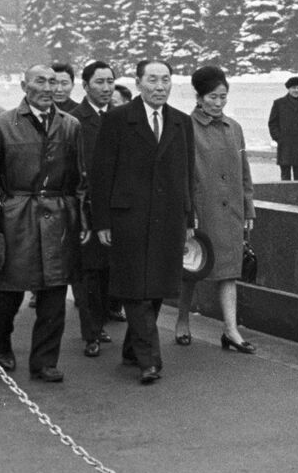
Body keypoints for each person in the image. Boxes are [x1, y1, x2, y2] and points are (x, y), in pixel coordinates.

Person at [0, 65, 84, 382]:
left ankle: (45, 362)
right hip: (15, 219)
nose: (48, 87)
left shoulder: (70, 126)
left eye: (53, 81)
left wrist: (80, 217)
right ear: (24, 85)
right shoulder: (1, 126)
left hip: (59, 219)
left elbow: (80, 178)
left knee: (54, 295)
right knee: (7, 293)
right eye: (40, 81)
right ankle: (1, 344)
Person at [89, 59, 195, 386]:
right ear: (138, 83)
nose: (160, 86)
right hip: (128, 217)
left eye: (165, 80)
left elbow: (187, 174)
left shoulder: (180, 122)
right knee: (134, 287)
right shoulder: (118, 120)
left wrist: (188, 219)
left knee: (159, 285)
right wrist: (102, 221)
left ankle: (133, 350)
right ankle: (150, 359)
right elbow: (101, 173)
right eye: (152, 80)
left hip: (168, 218)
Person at [176, 65, 255, 353]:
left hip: (232, 211)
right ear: (199, 97)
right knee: (192, 269)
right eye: (213, 97)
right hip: (201, 210)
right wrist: (187, 213)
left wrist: (249, 209)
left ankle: (231, 330)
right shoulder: (185, 127)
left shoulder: (235, 128)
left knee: (230, 271)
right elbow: (182, 174)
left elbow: (244, 171)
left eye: (223, 97)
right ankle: (182, 319)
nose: (219, 103)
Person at [73, 60, 119, 356]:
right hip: (87, 208)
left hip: (117, 207)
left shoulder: (121, 117)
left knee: (108, 271)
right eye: (99, 82)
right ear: (86, 85)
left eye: (110, 82)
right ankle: (90, 332)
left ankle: (100, 323)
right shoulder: (74, 119)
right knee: (89, 271)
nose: (106, 88)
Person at [268, 75, 298, 181]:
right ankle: (285, 197)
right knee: (285, 174)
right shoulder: (279, 103)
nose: (296, 90)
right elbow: (272, 123)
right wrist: (279, 138)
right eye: (294, 88)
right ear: (288, 88)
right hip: (285, 145)